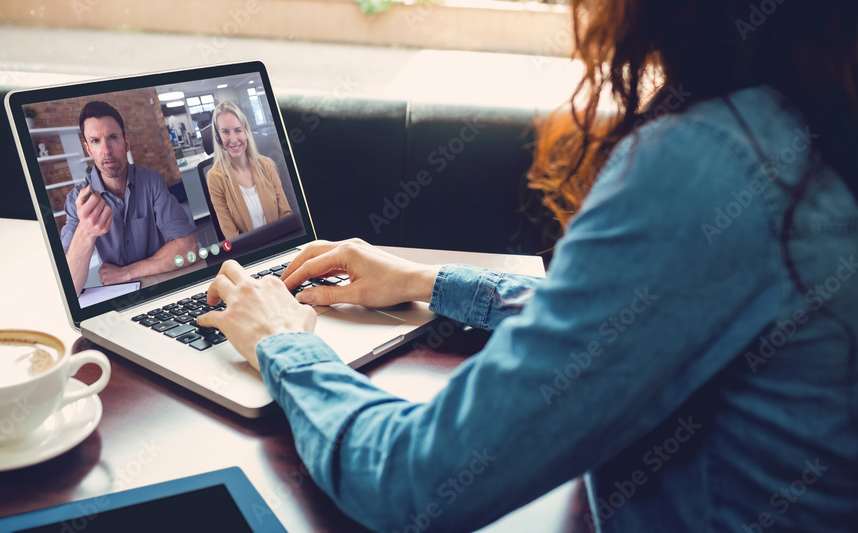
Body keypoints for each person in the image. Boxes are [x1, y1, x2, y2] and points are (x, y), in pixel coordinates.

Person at [198, 1, 858, 531]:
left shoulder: (712, 164)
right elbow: (642, 314)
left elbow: (412, 483)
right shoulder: (812, 121)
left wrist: (283, 344)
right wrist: (427, 282)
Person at [61, 101, 199, 295]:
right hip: (119, 297)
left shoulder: (151, 181)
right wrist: (86, 230)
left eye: (113, 137)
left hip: (161, 284)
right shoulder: (78, 200)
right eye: (95, 141)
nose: (106, 150)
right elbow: (68, 287)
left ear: (126, 142)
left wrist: (126, 273)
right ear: (88, 149)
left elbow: (189, 249)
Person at [205, 101, 293, 239]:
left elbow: (286, 214)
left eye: (238, 130)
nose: (233, 139)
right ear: (218, 137)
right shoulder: (215, 178)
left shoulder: (267, 165)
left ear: (246, 132)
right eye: (225, 132)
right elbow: (231, 235)